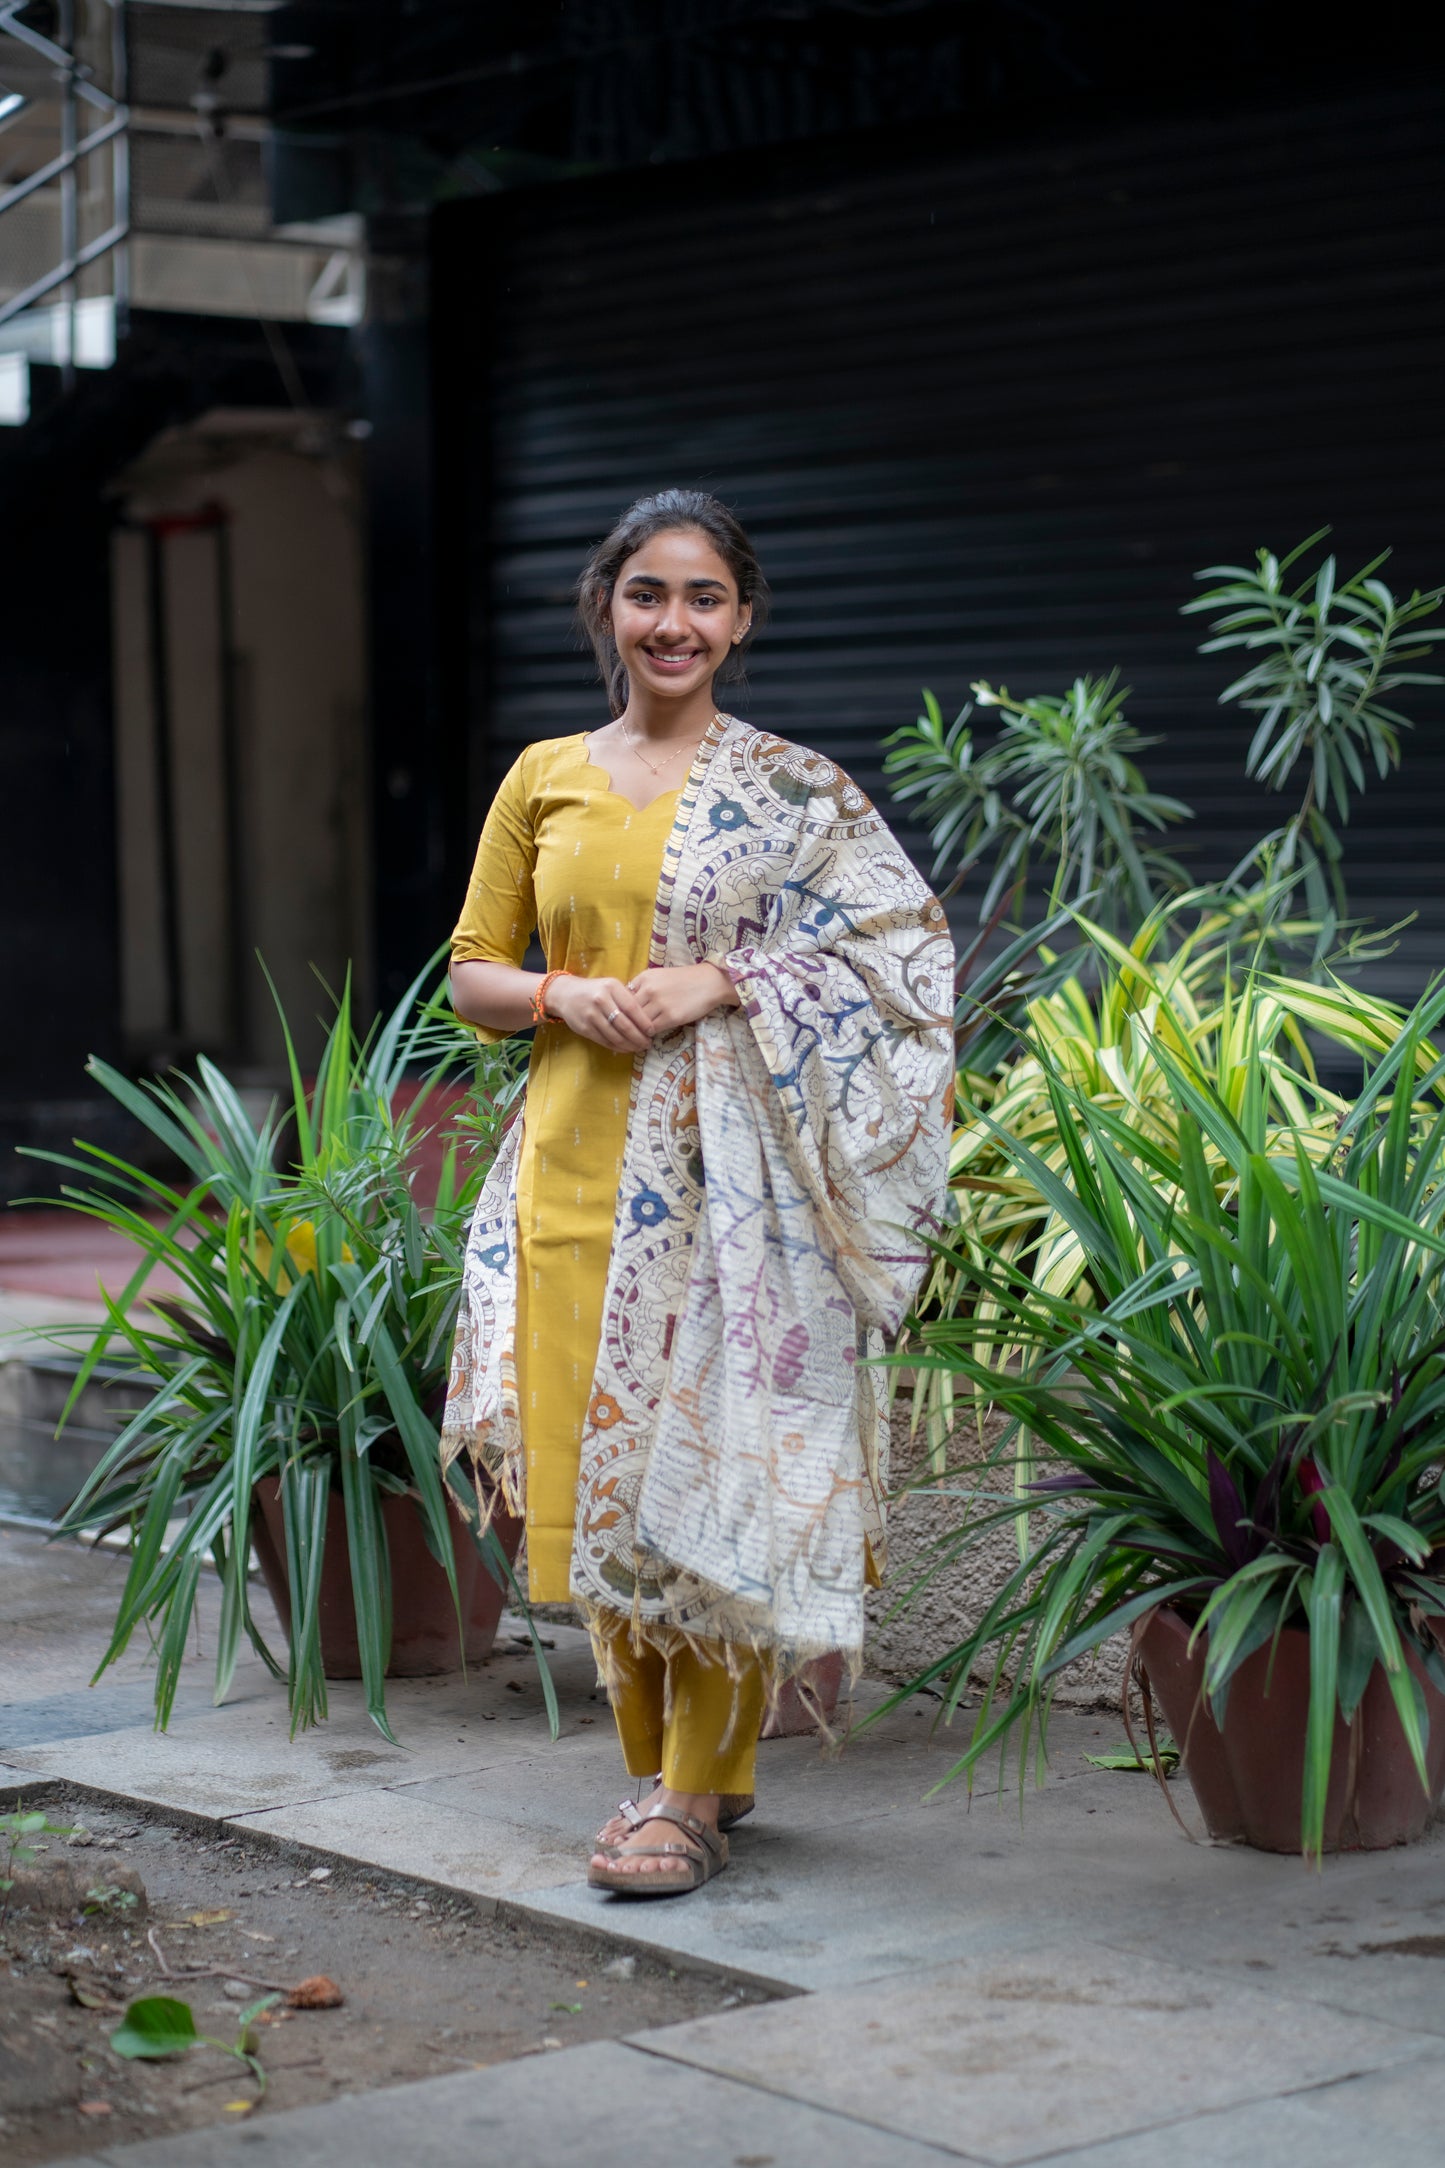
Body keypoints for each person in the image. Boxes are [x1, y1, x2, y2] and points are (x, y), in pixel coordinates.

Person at [442, 489, 954, 1897]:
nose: (676, 623)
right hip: (565, 1175)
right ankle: (671, 1775)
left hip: (740, 1204)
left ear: (741, 618)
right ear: (608, 605)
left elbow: (901, 956)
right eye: (650, 594)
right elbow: (472, 969)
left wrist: (722, 978)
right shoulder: (543, 772)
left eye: (705, 598)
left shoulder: (796, 791)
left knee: (714, 1477)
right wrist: (565, 992)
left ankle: (684, 1795)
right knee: (604, 1495)